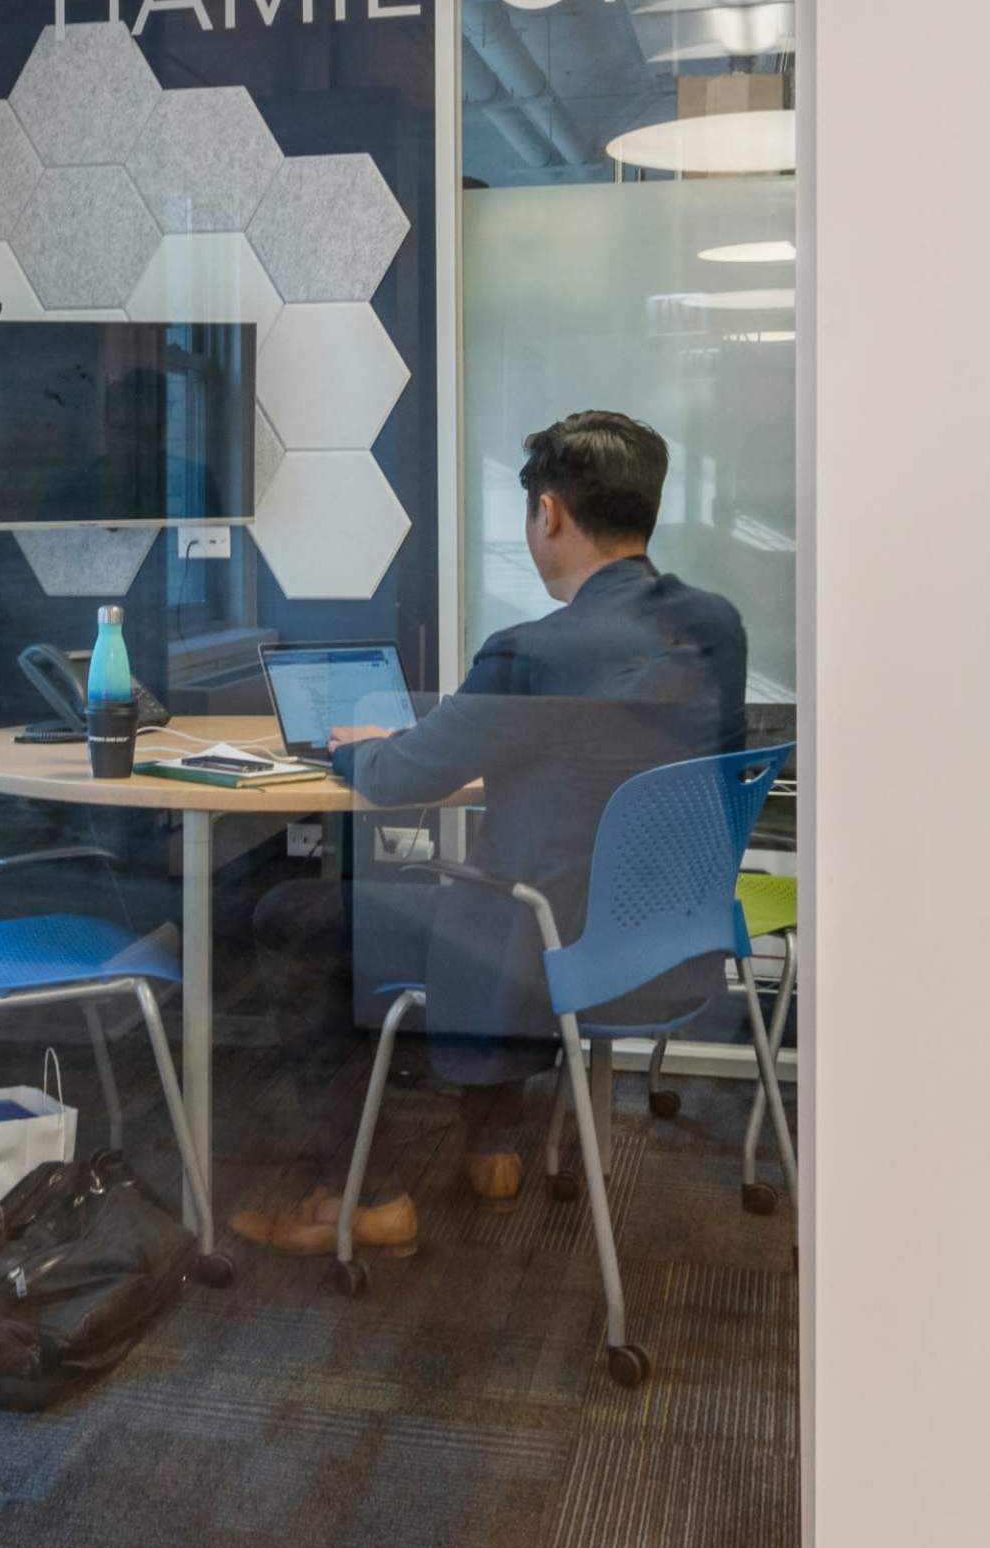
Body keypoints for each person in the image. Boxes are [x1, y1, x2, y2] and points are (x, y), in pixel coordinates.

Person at [229, 410, 748, 1252]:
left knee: (296, 911)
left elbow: (401, 780)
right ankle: (491, 1145)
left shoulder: (534, 651)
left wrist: (352, 750)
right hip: (672, 944)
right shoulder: (715, 626)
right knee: (496, 873)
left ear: (548, 514)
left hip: (552, 956)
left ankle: (367, 1196)